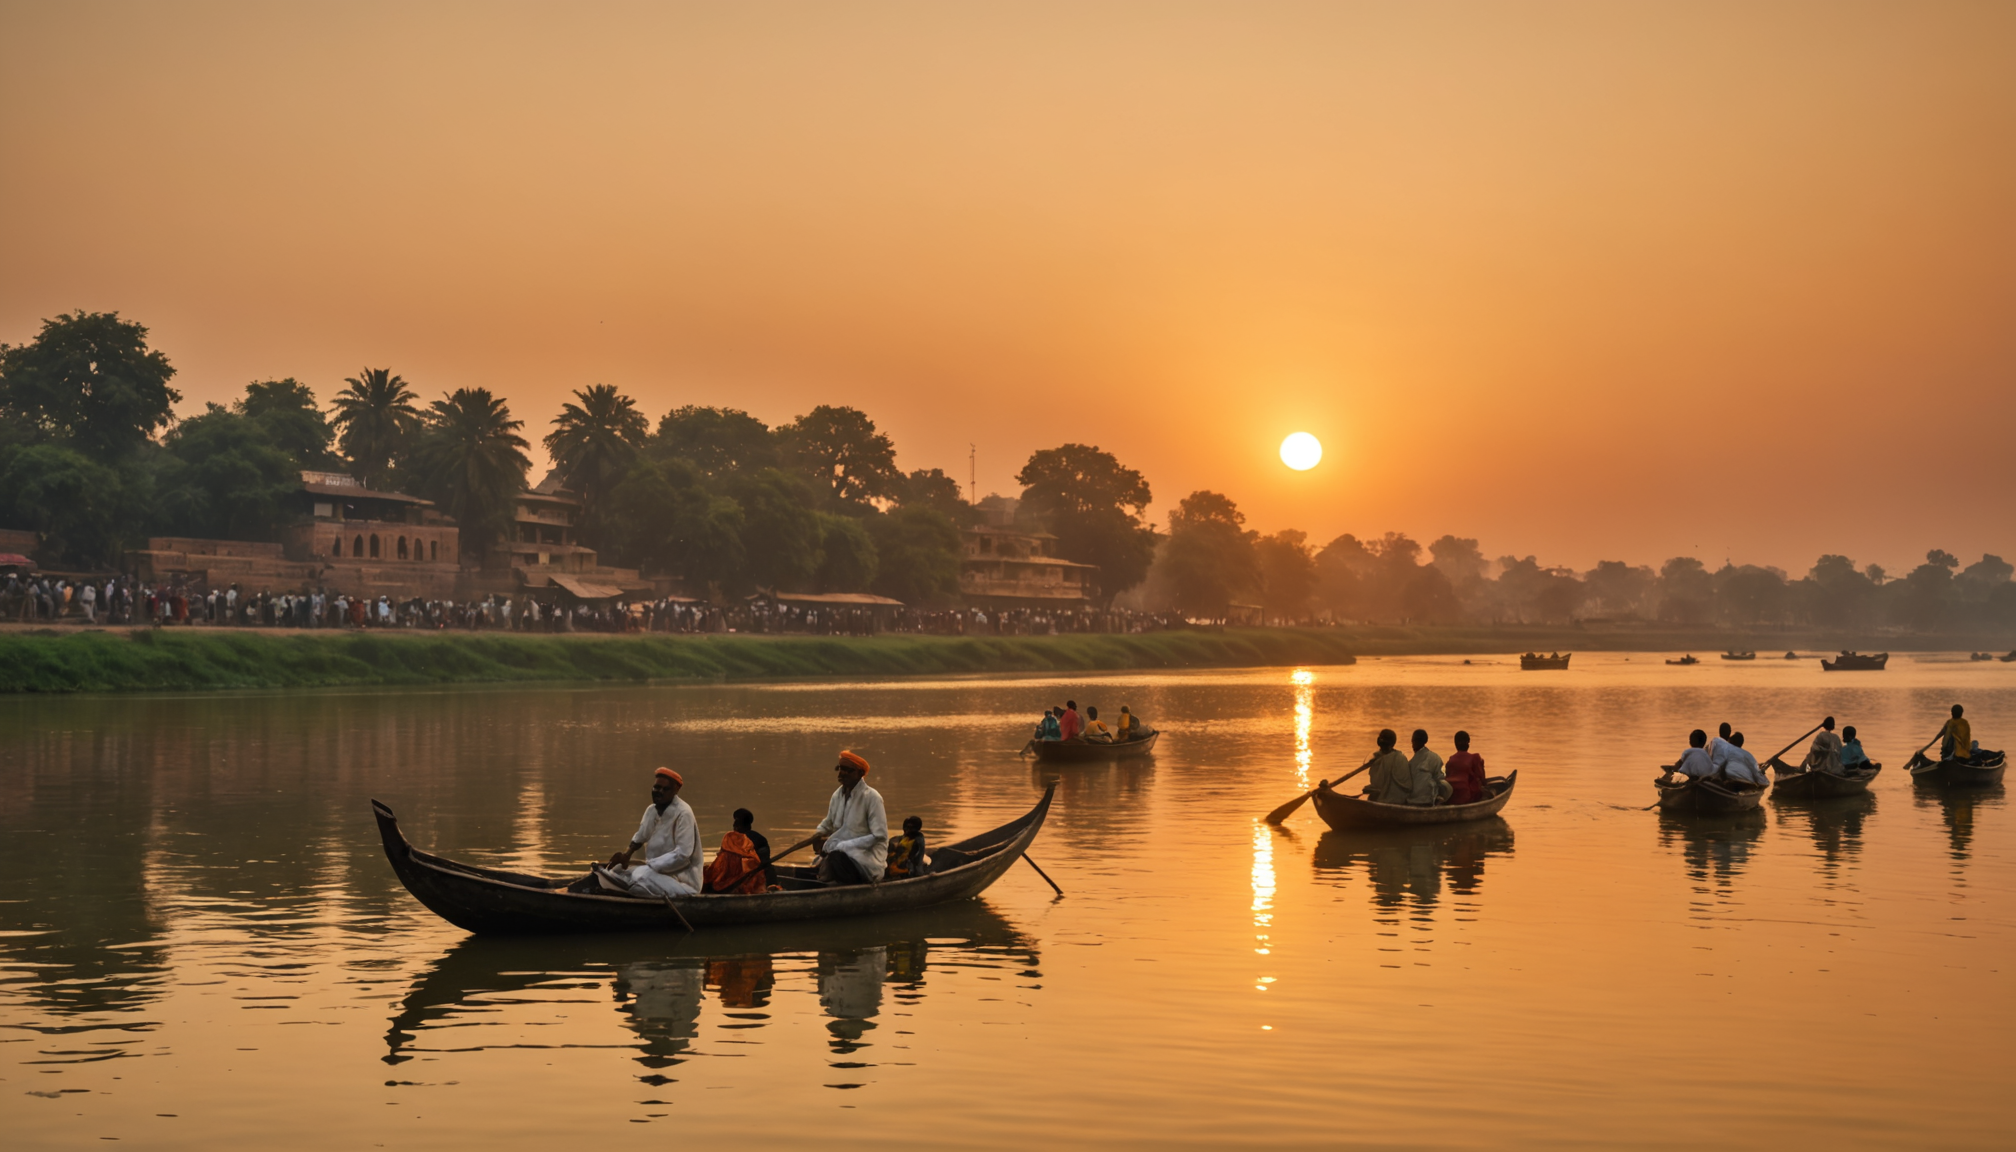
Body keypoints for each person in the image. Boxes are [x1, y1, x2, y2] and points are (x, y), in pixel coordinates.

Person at [600, 768, 704, 897]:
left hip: (683, 882)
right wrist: (626, 855)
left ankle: (633, 888)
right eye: (656, 787)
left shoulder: (684, 813)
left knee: (642, 876)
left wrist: (651, 865)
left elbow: (683, 855)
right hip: (655, 873)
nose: (659, 792)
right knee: (616, 870)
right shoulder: (651, 810)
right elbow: (641, 836)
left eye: (665, 789)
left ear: (675, 791)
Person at [813, 751, 888, 886]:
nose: (843, 773)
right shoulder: (837, 795)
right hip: (840, 857)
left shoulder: (872, 798)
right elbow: (828, 823)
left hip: (865, 860)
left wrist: (843, 846)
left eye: (849, 770)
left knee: (835, 857)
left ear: (860, 773)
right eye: (841, 768)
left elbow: (879, 835)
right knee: (827, 858)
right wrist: (818, 835)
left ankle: (846, 886)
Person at [703, 816, 768, 895]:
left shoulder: (727, 852)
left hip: (728, 884)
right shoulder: (749, 849)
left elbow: (714, 872)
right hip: (744, 881)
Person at [1363, 729, 1414, 805]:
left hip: (1391, 799)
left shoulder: (1382, 759)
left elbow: (1376, 783)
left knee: (1371, 794)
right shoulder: (1401, 757)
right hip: (1402, 798)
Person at [1407, 729, 1451, 806]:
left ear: (1413, 742)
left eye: (1412, 741)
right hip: (1429, 800)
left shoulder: (1410, 763)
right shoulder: (1435, 757)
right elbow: (1440, 780)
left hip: (1412, 801)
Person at [1444, 730, 1487, 805]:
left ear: (1455, 744)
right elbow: (1483, 780)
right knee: (1487, 793)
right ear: (1468, 744)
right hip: (1467, 797)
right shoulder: (1475, 757)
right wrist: (1482, 765)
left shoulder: (1451, 760)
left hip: (1450, 797)